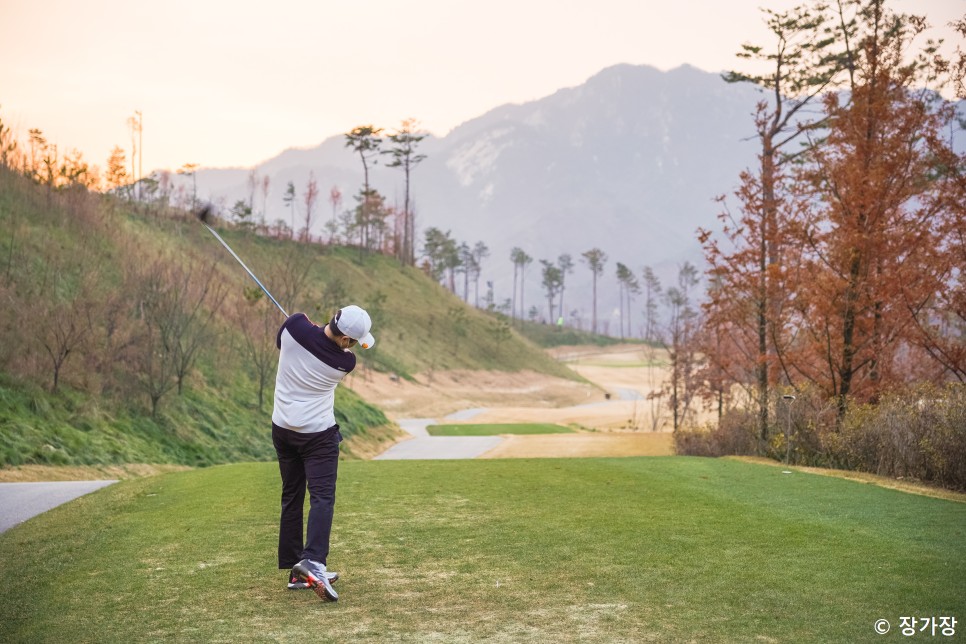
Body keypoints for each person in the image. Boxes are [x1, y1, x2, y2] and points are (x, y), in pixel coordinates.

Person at [271, 305, 375, 602]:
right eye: (354, 341)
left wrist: (310, 329)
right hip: (317, 436)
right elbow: (325, 344)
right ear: (346, 341)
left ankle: (295, 571)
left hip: (283, 429)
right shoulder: (343, 362)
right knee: (322, 497)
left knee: (292, 495)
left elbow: (296, 332)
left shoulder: (293, 327)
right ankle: (313, 561)